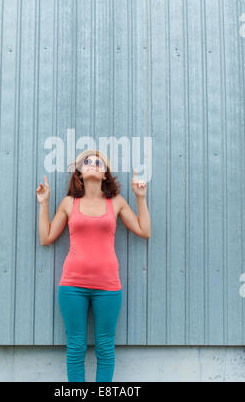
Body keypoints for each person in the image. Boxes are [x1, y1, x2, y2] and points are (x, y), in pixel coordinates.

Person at [36, 149, 151, 382]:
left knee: (105, 348)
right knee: (76, 347)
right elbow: (46, 237)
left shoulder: (116, 202)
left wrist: (140, 197)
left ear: (105, 174)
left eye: (99, 162)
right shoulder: (69, 203)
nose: (93, 164)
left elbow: (144, 231)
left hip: (108, 287)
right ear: (79, 171)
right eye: (88, 161)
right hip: (72, 285)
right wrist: (44, 203)